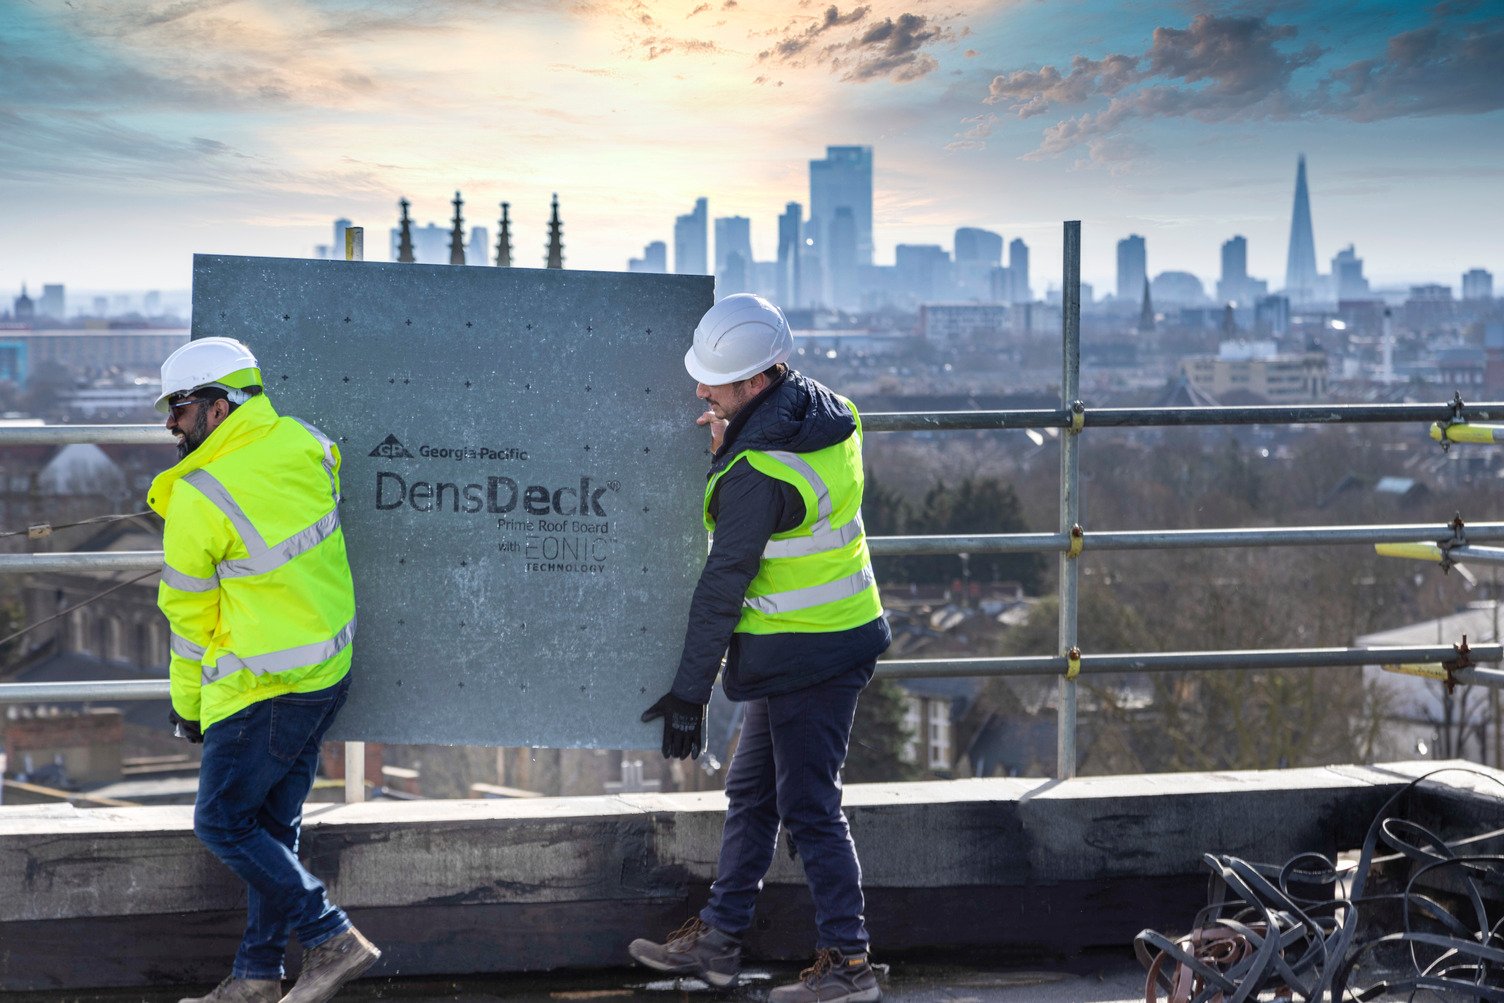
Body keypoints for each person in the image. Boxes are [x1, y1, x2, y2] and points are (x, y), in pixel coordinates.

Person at [631, 294, 890, 1003]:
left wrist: (690, 692)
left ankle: (850, 966)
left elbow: (723, 584)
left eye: (715, 382)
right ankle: (719, 938)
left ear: (754, 382)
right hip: (828, 636)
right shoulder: (826, 409)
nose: (700, 391)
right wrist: (733, 445)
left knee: (809, 804)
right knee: (752, 791)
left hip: (810, 652)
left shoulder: (757, 473)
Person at [148, 337, 380, 1003]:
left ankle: (330, 934)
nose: (171, 423)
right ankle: (255, 974)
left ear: (220, 408)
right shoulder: (309, 443)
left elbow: (190, 625)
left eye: (181, 408)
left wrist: (188, 708)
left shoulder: (198, 496)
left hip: (263, 689)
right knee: (274, 827)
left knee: (221, 821)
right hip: (325, 672)